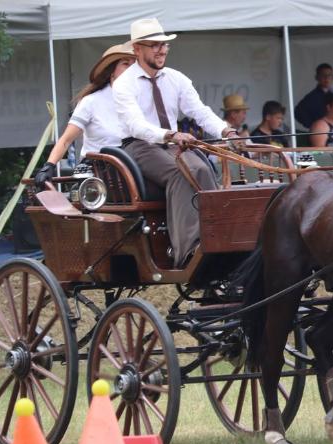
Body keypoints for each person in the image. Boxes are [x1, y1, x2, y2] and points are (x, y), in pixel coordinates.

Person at [113, 17, 237, 268]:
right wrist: (170, 135)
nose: (161, 50)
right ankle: (189, 251)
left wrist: (226, 132)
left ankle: (218, 241)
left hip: (170, 145)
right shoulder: (124, 84)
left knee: (203, 169)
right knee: (181, 174)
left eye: (164, 45)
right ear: (137, 49)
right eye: (154, 45)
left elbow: (199, 111)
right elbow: (137, 126)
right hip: (138, 146)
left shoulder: (176, 78)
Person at [34, 43, 136, 188]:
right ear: (111, 71)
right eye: (126, 64)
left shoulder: (143, 99)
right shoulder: (91, 101)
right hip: (99, 172)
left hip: (133, 169)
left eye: (135, 65)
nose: (132, 69)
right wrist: (49, 166)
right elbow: (66, 139)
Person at [294, 63, 333, 129]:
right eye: (323, 75)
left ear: (332, 77)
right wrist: (313, 126)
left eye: (329, 75)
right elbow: (298, 112)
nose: (326, 78)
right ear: (317, 77)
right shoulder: (311, 97)